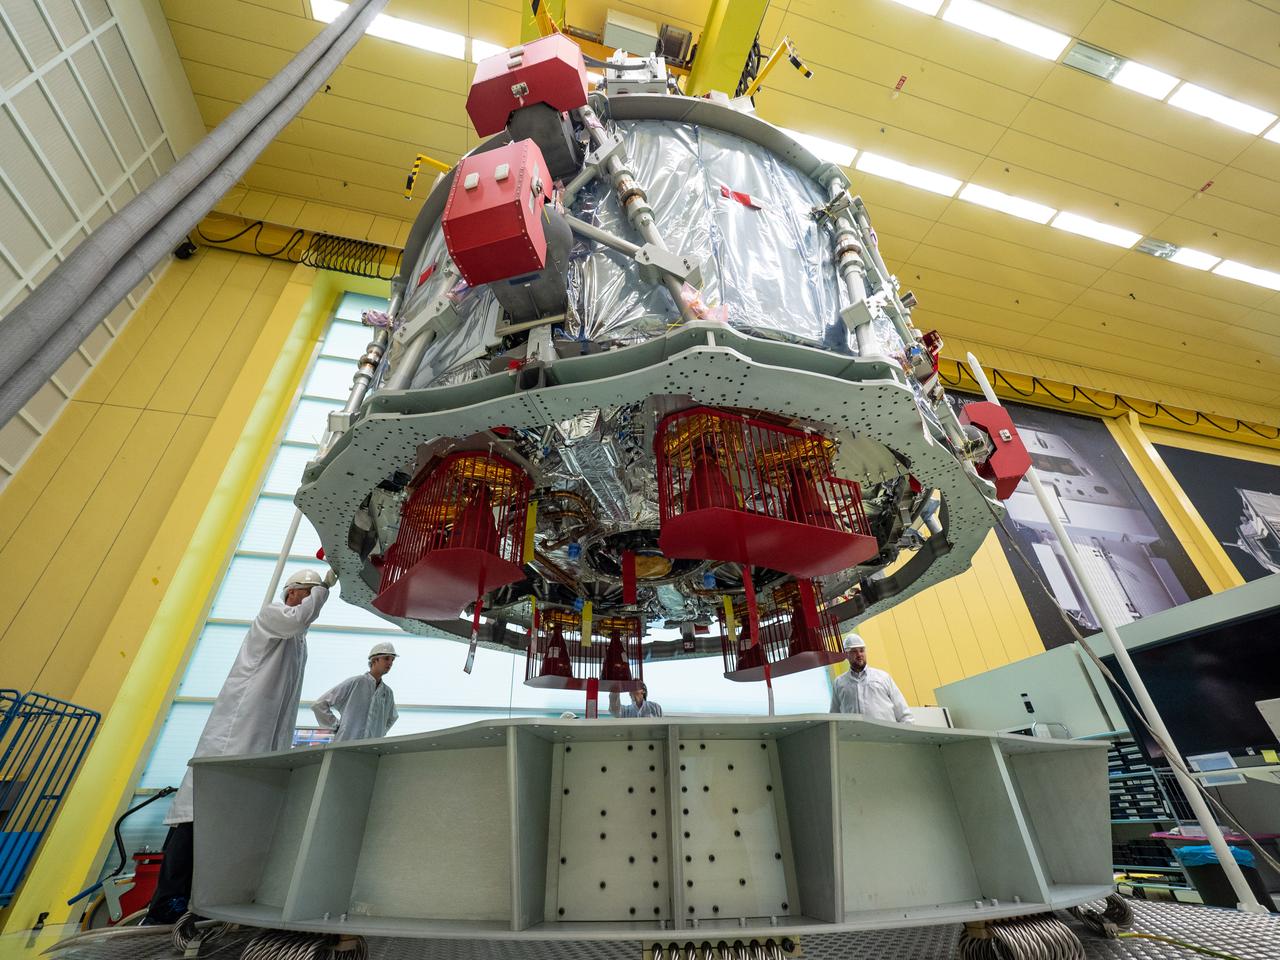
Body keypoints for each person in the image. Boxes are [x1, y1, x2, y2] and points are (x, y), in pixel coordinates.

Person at [144, 567, 333, 924]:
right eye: (305, 592)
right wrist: (324, 588)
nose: (309, 599)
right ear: (291, 592)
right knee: (196, 817)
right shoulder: (273, 615)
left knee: (231, 823)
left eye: (312, 593)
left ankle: (208, 905)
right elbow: (298, 620)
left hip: (262, 741)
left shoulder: (298, 642)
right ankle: (166, 906)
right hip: (235, 735)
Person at [312, 642, 400, 741]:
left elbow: (392, 717)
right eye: (387, 658)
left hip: (371, 748)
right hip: (345, 743)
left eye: (393, 660)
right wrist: (336, 726)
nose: (390, 663)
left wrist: (379, 733)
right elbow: (319, 705)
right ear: (375, 660)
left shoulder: (387, 692)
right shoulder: (356, 682)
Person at [829, 633, 914, 723]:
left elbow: (903, 713)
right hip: (855, 736)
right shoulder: (839, 683)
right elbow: (834, 717)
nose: (859, 655)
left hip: (885, 735)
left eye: (861, 650)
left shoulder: (883, 677)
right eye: (854, 651)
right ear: (846, 654)